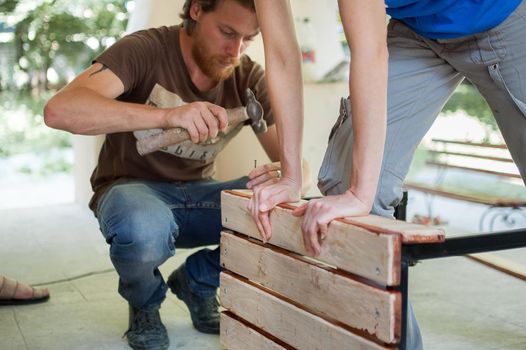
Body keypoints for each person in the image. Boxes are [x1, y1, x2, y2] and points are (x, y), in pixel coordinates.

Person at [251, 1, 526, 349]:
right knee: (345, 183)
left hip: (501, 13)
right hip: (419, 29)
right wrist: (290, 176)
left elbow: (369, 53)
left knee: (358, 192)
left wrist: (360, 194)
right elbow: (281, 54)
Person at [43, 0, 309, 349]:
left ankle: (198, 281)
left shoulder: (247, 77)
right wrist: (169, 116)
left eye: (248, 38)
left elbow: (295, 166)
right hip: (132, 192)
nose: (235, 50)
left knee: (293, 209)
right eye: (227, 32)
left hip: (200, 196)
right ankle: (145, 303)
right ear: (197, 10)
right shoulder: (145, 49)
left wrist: (290, 176)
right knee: (142, 228)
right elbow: (59, 111)